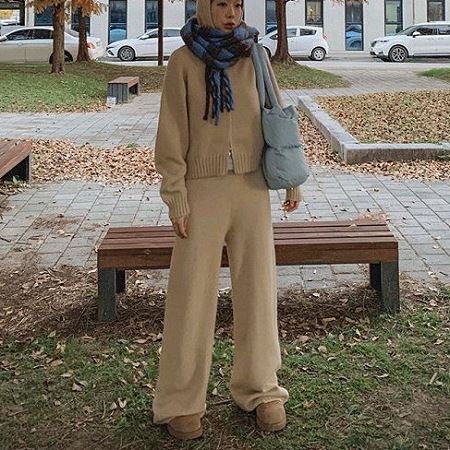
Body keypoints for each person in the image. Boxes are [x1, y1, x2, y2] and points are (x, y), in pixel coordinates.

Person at [152, 0, 301, 440]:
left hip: (253, 188)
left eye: (237, 4)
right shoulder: (182, 61)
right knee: (190, 296)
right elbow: (171, 133)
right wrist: (175, 195)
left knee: (258, 290)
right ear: (204, 8)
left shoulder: (254, 53)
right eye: (222, 4)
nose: (232, 12)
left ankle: (261, 388)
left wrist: (290, 177)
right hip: (202, 191)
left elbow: (276, 115)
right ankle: (180, 400)